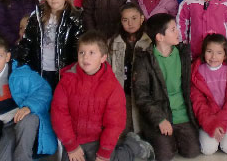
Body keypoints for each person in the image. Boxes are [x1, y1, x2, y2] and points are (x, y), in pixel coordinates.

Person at [51, 31, 154, 161]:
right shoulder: (67, 81)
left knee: (111, 158)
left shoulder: (112, 86)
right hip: (74, 140)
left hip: (99, 140)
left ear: (103, 58)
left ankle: (134, 146)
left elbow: (115, 123)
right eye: (82, 52)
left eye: (91, 53)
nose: (85, 57)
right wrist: (71, 146)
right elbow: (59, 114)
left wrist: (104, 152)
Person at [0, 34, 56, 161]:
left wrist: (29, 107)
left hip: (29, 118)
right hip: (8, 127)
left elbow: (44, 90)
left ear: (7, 57)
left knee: (26, 121)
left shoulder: (21, 74)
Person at [133, 13, 201, 161]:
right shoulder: (144, 59)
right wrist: (160, 120)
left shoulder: (183, 53)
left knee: (192, 151)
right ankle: (145, 141)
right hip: (160, 114)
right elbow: (142, 95)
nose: (178, 32)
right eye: (173, 29)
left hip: (182, 114)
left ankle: (172, 139)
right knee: (164, 155)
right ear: (160, 37)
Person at [17, 0, 84, 91]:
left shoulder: (74, 19)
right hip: (40, 69)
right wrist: (22, 65)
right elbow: (27, 42)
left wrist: (76, 70)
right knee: (42, 97)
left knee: (59, 98)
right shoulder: (37, 16)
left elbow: (78, 47)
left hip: (64, 71)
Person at [190, 34, 227, 155]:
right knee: (208, 149)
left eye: (219, 53)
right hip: (208, 116)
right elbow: (199, 103)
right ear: (203, 52)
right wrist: (211, 125)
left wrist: (220, 123)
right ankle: (218, 138)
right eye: (209, 51)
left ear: (225, 55)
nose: (213, 57)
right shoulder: (197, 73)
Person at [109, 3, 152, 135]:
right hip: (121, 94)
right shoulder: (112, 42)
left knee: (142, 130)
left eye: (134, 18)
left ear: (142, 18)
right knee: (122, 130)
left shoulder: (149, 42)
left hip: (143, 95)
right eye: (125, 20)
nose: (130, 23)